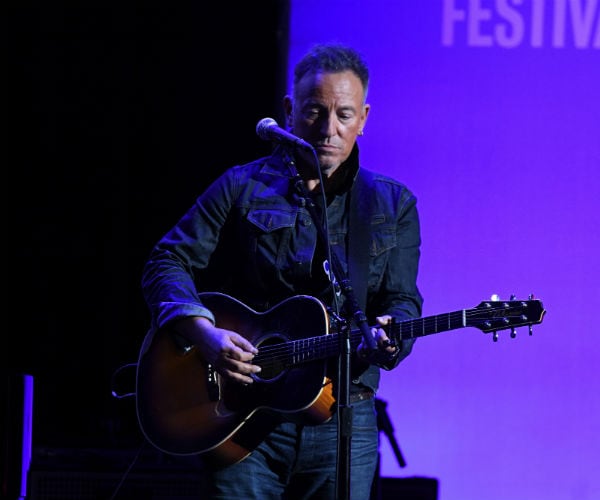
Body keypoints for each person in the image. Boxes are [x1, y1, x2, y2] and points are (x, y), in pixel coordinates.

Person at [139, 42, 423, 500]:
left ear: (364, 118)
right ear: (290, 111)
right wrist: (205, 335)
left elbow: (402, 300)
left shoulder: (392, 203)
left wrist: (395, 332)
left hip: (341, 418)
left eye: (345, 115)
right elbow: (166, 262)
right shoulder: (241, 185)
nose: (328, 130)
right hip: (239, 414)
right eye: (314, 112)